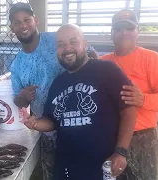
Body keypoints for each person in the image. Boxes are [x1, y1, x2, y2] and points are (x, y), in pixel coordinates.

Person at [21, 23, 137, 180]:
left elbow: (129, 110)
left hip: (102, 166)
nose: (67, 48)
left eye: (73, 42)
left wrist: (121, 151)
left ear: (85, 44)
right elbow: (53, 121)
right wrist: (35, 123)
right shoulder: (58, 83)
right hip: (66, 168)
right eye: (61, 45)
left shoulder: (108, 70)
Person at [9, 2, 99, 180]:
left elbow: (91, 55)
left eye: (26, 20)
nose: (23, 25)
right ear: (12, 28)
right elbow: (18, 101)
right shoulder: (17, 66)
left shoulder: (57, 40)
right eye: (17, 22)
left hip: (81, 127)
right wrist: (23, 97)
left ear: (36, 20)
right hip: (49, 133)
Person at [100, 9, 158, 180]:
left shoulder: (152, 58)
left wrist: (143, 99)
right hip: (108, 139)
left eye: (129, 28)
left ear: (138, 32)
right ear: (111, 33)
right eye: (119, 28)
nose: (124, 33)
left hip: (142, 140)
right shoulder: (103, 63)